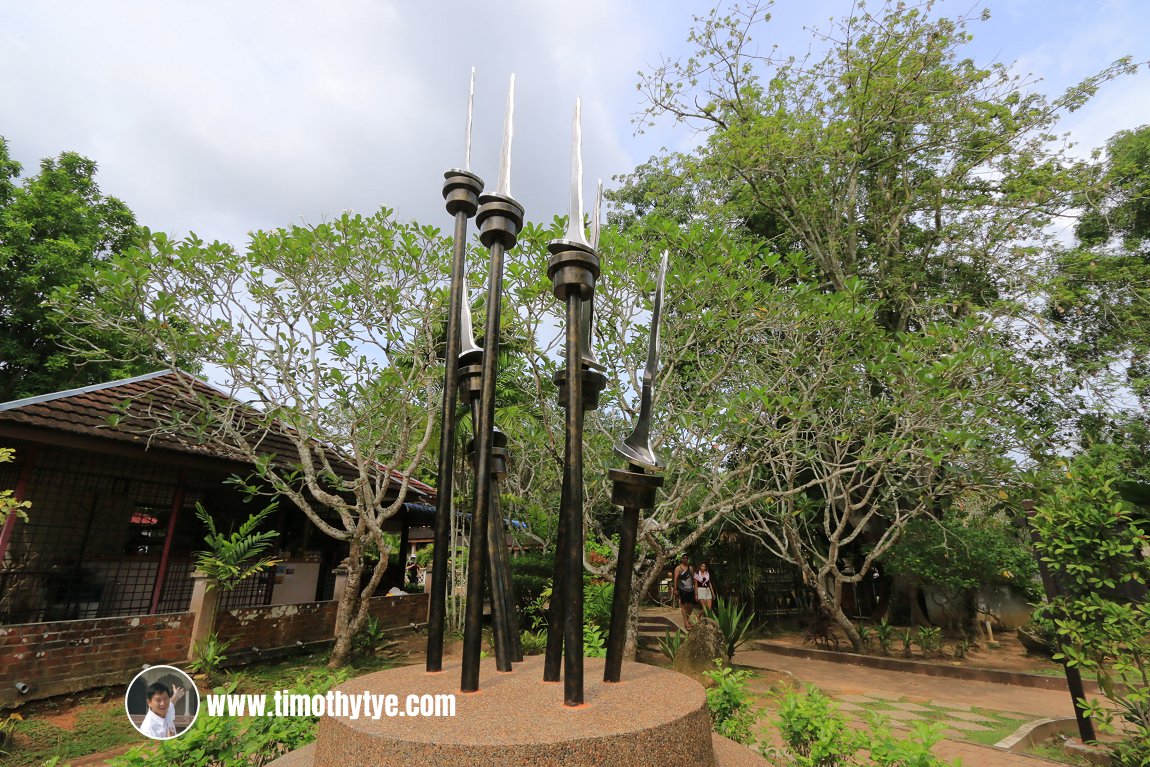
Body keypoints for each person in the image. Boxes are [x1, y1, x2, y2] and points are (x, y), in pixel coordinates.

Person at [673, 554, 697, 629]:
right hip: (682, 589)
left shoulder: (691, 568)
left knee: (691, 607)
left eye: (687, 558)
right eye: (684, 558)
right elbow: (675, 579)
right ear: (681, 559)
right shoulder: (678, 568)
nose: (685, 559)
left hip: (690, 589)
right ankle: (686, 622)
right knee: (684, 606)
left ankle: (686, 619)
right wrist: (675, 589)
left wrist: (696, 590)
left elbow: (695, 579)